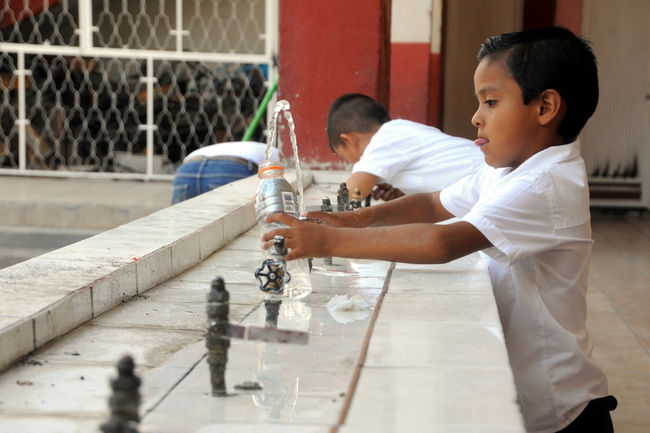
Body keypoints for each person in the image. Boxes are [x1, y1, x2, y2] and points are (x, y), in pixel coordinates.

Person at [263, 27, 616, 432]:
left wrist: (330, 240)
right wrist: (350, 219)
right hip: (535, 398)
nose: (476, 117)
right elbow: (432, 204)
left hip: (563, 411)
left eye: (491, 102)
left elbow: (442, 241)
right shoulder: (509, 171)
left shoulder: (546, 183)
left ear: (545, 107)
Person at [326, 93, 485, 201]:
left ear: (349, 140)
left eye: (345, 157)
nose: (351, 164)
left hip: (486, 180)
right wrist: (404, 191)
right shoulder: (402, 133)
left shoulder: (385, 136)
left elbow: (351, 193)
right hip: (484, 180)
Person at [171, 141, 279, 204]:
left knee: (182, 227)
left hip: (187, 169)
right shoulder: (280, 154)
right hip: (229, 168)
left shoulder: (236, 147)